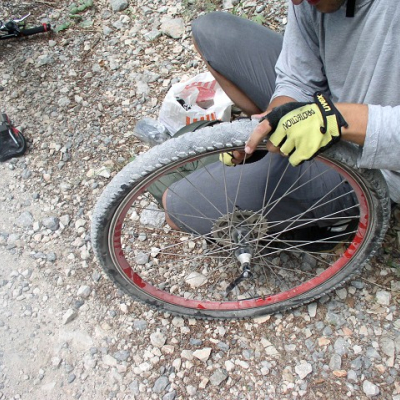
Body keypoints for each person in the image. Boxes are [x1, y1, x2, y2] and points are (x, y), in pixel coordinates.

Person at [161, 0, 400, 237]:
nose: (296, 2)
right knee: (210, 31)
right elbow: (297, 78)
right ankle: (273, 161)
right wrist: (271, 121)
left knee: (175, 206)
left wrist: (338, 118)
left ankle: (337, 218)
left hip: (376, 161)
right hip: (324, 107)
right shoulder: (306, 2)